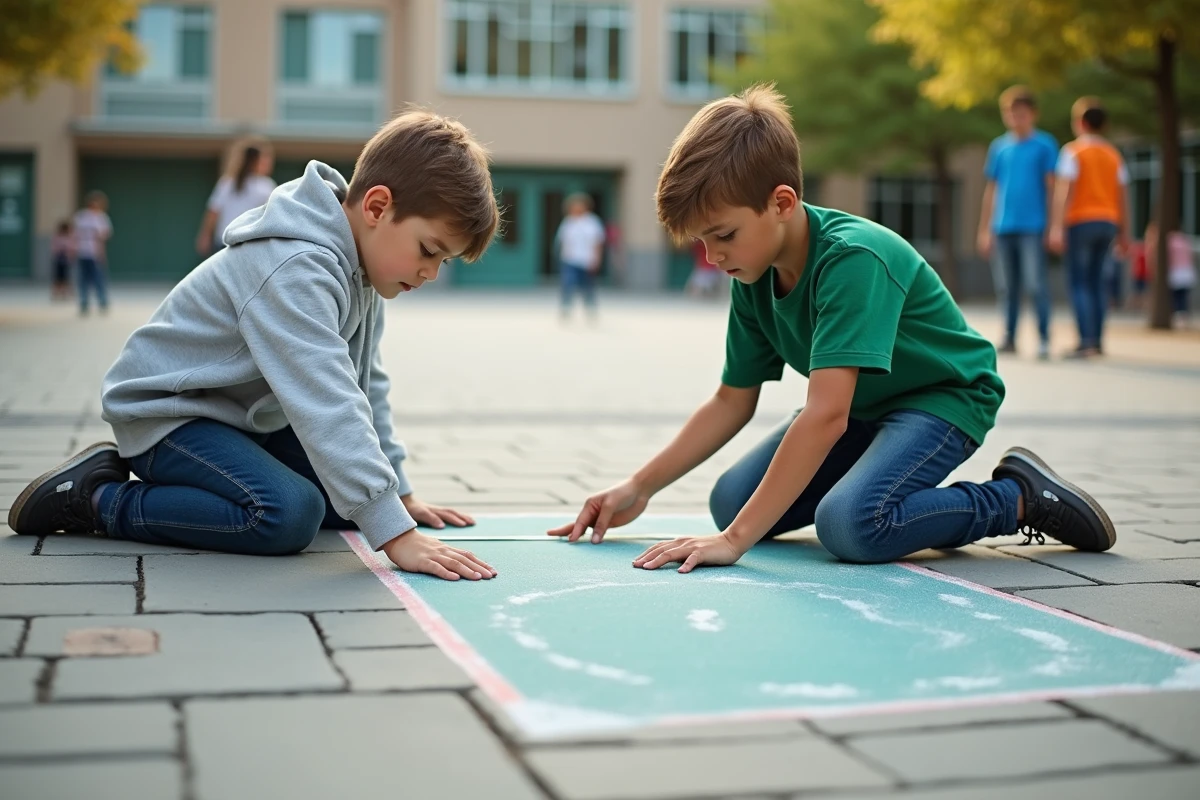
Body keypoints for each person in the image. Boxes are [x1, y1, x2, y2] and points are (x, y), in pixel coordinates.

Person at [550, 85, 1115, 571]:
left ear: (781, 202)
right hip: (860, 410)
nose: (713, 256)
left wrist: (735, 542)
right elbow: (731, 400)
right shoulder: (752, 273)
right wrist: (638, 486)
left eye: (723, 235)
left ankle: (1016, 499)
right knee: (730, 502)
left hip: (942, 401)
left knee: (851, 525)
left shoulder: (851, 259)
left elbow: (825, 416)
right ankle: (900, 496)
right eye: (702, 241)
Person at [8, 109, 502, 582]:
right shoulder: (295, 267)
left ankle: (210, 484)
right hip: (169, 416)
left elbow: (364, 386)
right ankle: (96, 498)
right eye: (428, 250)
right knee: (288, 514)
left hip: (239, 422)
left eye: (444, 261)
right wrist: (396, 535)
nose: (431, 272)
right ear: (377, 207)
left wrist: (399, 498)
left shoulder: (363, 272)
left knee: (348, 503)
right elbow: (327, 402)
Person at [977, 86, 1058, 359]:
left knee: (1036, 284)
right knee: (1006, 287)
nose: (1015, 118)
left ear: (1032, 114)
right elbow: (992, 190)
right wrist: (985, 229)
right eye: (1010, 113)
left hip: (1033, 226)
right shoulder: (999, 147)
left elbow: (1051, 187)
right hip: (1002, 227)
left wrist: (1052, 225)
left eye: (1021, 113)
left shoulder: (1045, 145)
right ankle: (1009, 337)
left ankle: (1044, 338)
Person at [1049, 98, 1131, 359]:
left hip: (1080, 222)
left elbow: (1065, 191)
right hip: (1108, 223)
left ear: (1080, 123)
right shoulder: (1113, 155)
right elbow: (1123, 196)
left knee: (1079, 282)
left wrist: (1056, 227)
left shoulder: (1073, 151)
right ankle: (1097, 341)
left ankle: (1086, 342)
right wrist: (1125, 233)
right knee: (1098, 283)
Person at [196, 142, 277, 256]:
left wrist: (205, 236)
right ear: (257, 161)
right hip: (248, 244)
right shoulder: (266, 186)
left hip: (224, 241)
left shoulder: (227, 182)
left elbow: (213, 212)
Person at [555, 192, 605, 320]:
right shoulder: (568, 222)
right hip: (570, 260)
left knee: (588, 286)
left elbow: (597, 242)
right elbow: (562, 240)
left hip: (587, 260)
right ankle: (566, 308)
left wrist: (597, 259)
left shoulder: (592, 222)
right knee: (567, 284)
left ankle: (590, 308)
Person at [1146, 220, 1197, 328]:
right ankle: (1184, 316)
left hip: (1176, 272)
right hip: (1187, 272)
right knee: (1183, 296)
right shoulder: (1185, 239)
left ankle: (1178, 316)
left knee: (1175, 297)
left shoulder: (1169, 241)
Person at [72, 191, 113, 315]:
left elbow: (103, 236)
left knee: (95, 279)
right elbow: (102, 236)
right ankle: (89, 302)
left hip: (90, 252)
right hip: (87, 252)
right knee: (89, 279)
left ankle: (99, 302)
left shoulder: (84, 217)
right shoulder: (96, 217)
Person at [50, 219, 74, 302]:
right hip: (59, 258)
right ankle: (57, 293)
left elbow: (71, 248)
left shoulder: (69, 237)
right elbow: (54, 248)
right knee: (58, 277)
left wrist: (70, 254)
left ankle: (64, 293)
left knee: (65, 277)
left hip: (66, 259)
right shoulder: (58, 237)